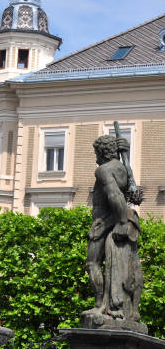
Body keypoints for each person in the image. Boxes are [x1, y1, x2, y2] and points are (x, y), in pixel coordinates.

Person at [83, 134, 142, 323]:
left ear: (102, 152)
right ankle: (113, 304)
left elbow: (115, 195)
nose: (95, 158)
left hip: (103, 221)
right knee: (115, 265)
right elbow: (132, 194)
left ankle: (100, 304)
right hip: (117, 218)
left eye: (96, 153)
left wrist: (122, 222)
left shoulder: (103, 170)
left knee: (92, 263)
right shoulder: (123, 168)